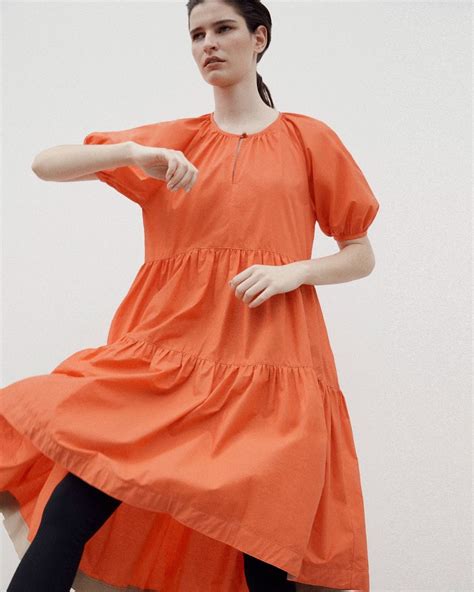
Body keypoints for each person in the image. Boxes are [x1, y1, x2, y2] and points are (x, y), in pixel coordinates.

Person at [0, 0, 380, 591]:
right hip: (164, 362)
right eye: (197, 34)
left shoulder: (308, 140)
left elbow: (360, 252)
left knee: (265, 552)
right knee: (71, 510)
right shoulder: (175, 143)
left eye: (224, 29)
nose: (209, 44)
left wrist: (294, 272)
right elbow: (45, 164)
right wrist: (131, 154)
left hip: (270, 370)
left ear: (259, 38)